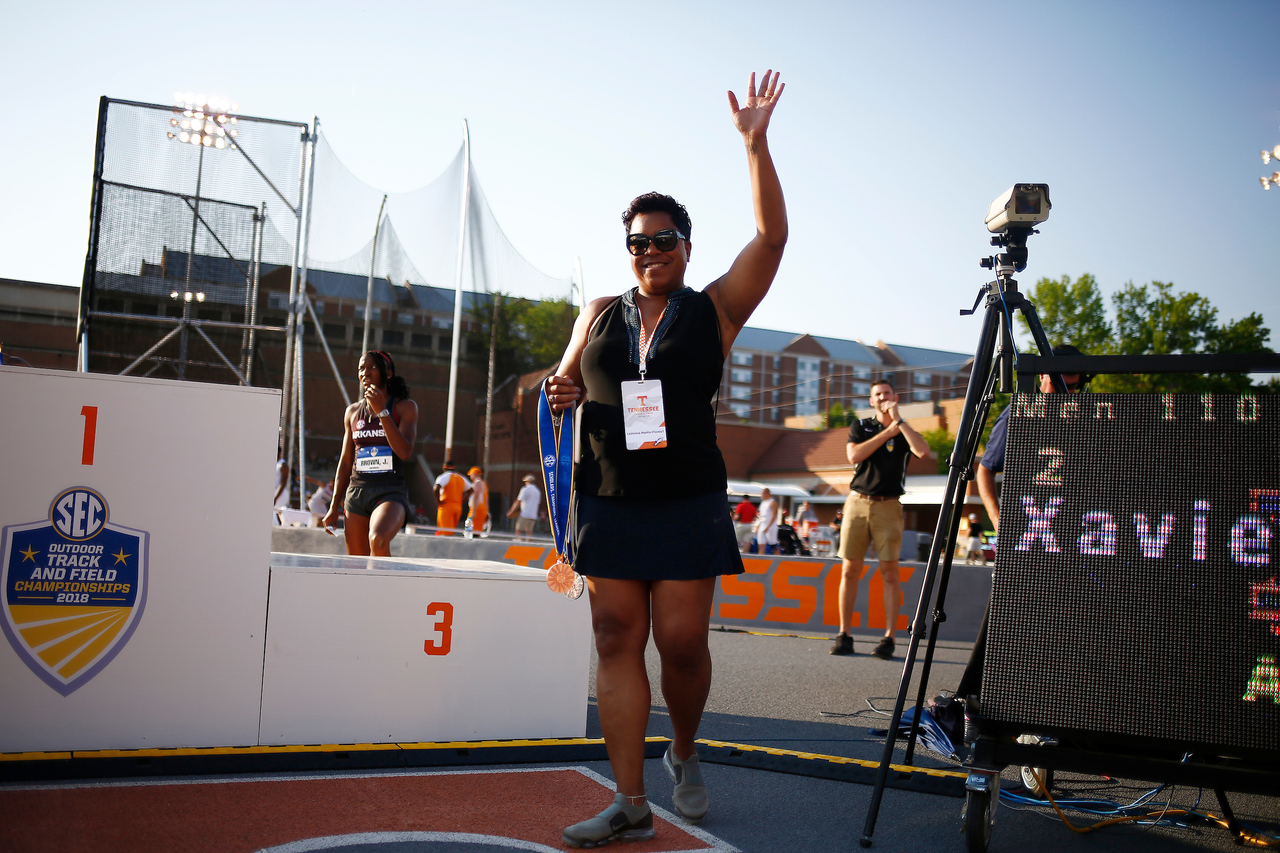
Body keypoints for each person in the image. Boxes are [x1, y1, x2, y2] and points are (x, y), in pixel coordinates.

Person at [544, 70, 787, 848]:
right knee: (615, 635)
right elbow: (568, 373)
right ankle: (630, 799)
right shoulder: (597, 312)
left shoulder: (712, 309)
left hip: (685, 497)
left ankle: (682, 747)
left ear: (686, 247)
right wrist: (560, 389)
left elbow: (773, 239)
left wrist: (755, 144)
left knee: (680, 641)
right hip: (610, 493)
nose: (649, 250)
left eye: (663, 239)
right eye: (637, 242)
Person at [957, 345, 1088, 705]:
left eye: (1074, 389)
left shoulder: (1088, 415)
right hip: (1029, 533)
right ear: (1043, 376)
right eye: (1060, 386)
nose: (1066, 395)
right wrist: (1000, 521)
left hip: (1074, 538)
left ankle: (1058, 699)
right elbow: (985, 468)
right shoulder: (1020, 412)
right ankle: (978, 698)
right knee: (1008, 620)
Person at [830, 379, 929, 659]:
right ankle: (844, 634)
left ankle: (889, 638)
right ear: (871, 400)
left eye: (887, 393)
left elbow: (923, 451)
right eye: (878, 394)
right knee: (849, 570)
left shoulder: (903, 428)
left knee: (890, 573)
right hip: (858, 502)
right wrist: (887, 432)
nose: (883, 397)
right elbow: (854, 455)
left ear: (895, 397)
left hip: (889, 506)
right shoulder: (861, 427)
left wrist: (899, 423)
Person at [323, 351, 418, 556]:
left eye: (372, 367)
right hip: (357, 494)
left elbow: (404, 451)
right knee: (358, 564)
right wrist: (333, 506)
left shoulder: (404, 407)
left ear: (388, 373)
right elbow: (346, 462)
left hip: (389, 492)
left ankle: (389, 589)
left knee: (379, 540)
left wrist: (382, 411)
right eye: (361, 368)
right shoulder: (353, 412)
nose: (365, 372)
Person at [434, 461, 470, 536]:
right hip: (458, 507)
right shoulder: (461, 477)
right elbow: (471, 490)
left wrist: (438, 502)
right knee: (451, 531)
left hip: (446, 506)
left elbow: (436, 488)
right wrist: (462, 501)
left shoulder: (444, 476)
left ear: (444, 467)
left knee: (444, 533)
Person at [509, 474, 541, 540]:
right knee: (529, 532)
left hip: (525, 514)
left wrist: (511, 511)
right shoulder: (537, 491)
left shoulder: (525, 489)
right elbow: (538, 503)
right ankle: (529, 545)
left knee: (518, 530)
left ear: (527, 481)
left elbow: (518, 501)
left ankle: (519, 543)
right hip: (533, 515)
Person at [753, 487, 780, 555]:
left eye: (762, 494)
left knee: (773, 546)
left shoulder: (772, 502)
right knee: (761, 545)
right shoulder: (763, 503)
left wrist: (768, 527)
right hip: (762, 525)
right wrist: (757, 526)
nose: (761, 495)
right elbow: (761, 516)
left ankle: (779, 559)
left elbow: (773, 516)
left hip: (770, 526)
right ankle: (760, 561)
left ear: (767, 493)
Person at [466, 466, 489, 536]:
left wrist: (473, 512)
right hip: (481, 510)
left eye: (471, 475)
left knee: (470, 531)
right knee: (476, 531)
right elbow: (486, 499)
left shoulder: (477, 483)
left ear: (474, 474)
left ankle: (470, 545)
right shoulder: (484, 484)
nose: (470, 477)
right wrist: (487, 512)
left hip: (476, 510)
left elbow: (476, 498)